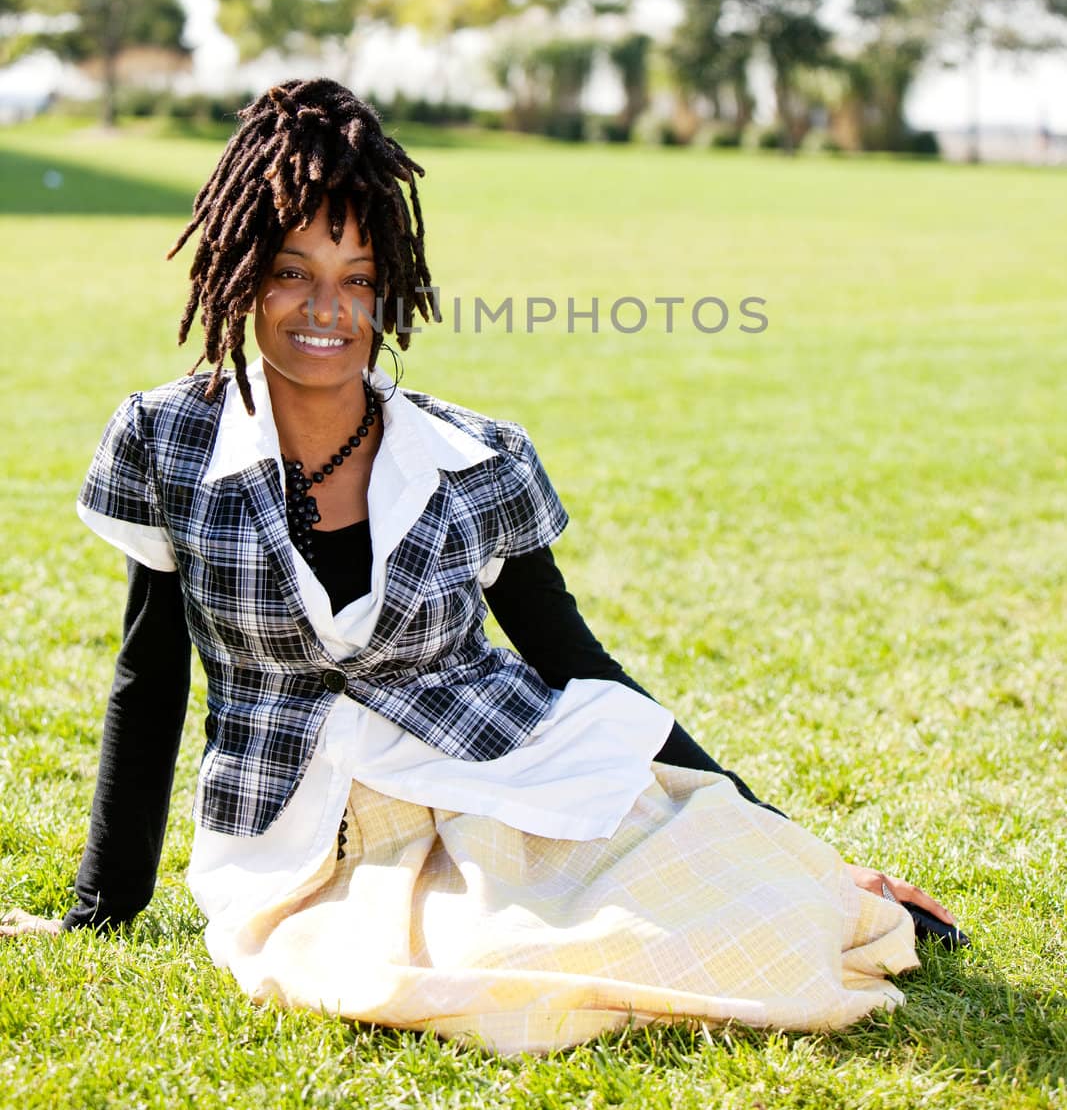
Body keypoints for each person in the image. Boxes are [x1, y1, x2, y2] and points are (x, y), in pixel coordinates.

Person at [1, 78, 962, 1056]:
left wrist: (795, 846)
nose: (325, 308)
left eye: (358, 276)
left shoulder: (475, 459)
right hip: (308, 839)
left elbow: (573, 660)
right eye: (292, 271)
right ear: (241, 273)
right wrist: (99, 907)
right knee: (468, 970)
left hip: (504, 779)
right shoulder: (167, 440)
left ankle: (792, 878)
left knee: (736, 907)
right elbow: (148, 676)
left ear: (391, 286)